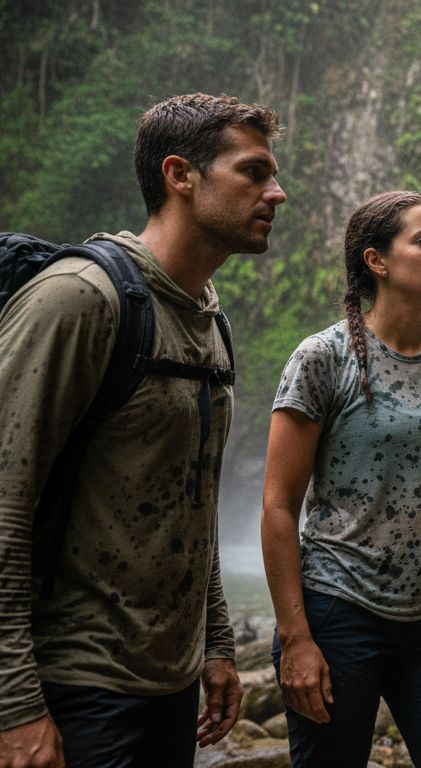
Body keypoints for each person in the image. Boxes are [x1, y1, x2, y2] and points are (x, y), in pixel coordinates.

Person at [0, 93, 286, 768]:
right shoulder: (79, 300)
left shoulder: (210, 321)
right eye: (254, 172)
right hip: (72, 684)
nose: (277, 192)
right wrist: (14, 702)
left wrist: (215, 643)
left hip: (169, 685)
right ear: (180, 175)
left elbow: (192, 500)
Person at [261, 190, 421, 767]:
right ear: (378, 261)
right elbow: (277, 505)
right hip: (339, 611)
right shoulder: (324, 358)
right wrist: (296, 637)